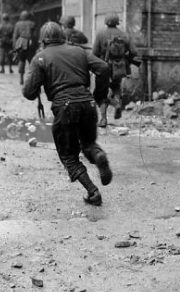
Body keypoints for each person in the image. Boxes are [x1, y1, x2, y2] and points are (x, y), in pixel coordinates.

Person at [22, 21, 113, 206]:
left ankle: (93, 193)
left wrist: (36, 77)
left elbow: (29, 93)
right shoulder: (79, 51)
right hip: (87, 104)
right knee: (88, 144)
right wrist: (98, 95)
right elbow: (103, 67)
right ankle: (99, 157)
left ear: (43, 39)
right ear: (62, 35)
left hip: (65, 108)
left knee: (69, 156)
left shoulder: (40, 58)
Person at [92, 14, 139, 127]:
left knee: (101, 93)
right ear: (117, 22)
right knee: (116, 87)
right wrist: (125, 58)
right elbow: (134, 51)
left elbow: (94, 53)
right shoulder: (124, 35)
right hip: (120, 67)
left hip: (103, 67)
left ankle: (103, 119)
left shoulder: (100, 34)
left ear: (106, 21)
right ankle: (117, 103)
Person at [13, 10, 37, 85]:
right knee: (32, 62)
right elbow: (35, 36)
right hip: (30, 45)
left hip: (21, 45)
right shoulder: (32, 24)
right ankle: (32, 78)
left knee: (21, 60)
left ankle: (21, 78)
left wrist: (14, 47)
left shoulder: (17, 24)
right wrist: (35, 45)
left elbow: (15, 36)